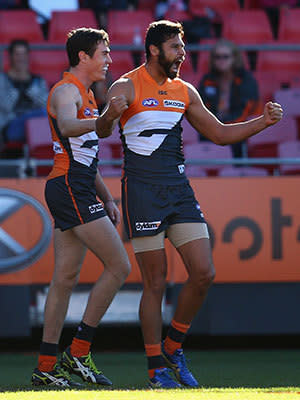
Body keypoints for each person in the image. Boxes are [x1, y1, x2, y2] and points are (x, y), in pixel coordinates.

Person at [105, 20, 283, 388]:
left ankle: (173, 347)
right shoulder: (125, 85)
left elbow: (219, 134)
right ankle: (155, 368)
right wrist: (109, 113)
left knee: (204, 273)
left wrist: (262, 123)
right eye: (175, 47)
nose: (182, 54)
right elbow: (102, 131)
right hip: (141, 192)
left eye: (183, 48)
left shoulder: (185, 90)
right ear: (154, 49)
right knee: (155, 282)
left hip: (179, 190)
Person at [31, 27, 131, 388]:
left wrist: (105, 196)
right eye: (104, 53)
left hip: (73, 186)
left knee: (64, 280)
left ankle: (45, 367)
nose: (109, 59)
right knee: (119, 265)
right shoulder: (68, 90)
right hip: (69, 188)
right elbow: (69, 125)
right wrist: (103, 120)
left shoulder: (85, 92)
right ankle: (77, 353)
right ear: (83, 57)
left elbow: (85, 157)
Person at [198, 39, 262, 158]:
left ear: (234, 58)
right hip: (212, 130)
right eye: (217, 57)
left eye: (225, 57)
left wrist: (226, 128)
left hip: (240, 130)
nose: (221, 61)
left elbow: (247, 109)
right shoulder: (207, 80)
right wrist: (215, 127)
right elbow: (200, 107)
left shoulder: (246, 80)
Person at [0, 39, 48, 156]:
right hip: (10, 127)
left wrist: (32, 91)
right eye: (17, 54)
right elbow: (6, 106)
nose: (21, 58)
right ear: (10, 57)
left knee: (46, 116)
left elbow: (47, 104)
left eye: (24, 54)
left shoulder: (37, 80)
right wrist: (18, 89)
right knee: (43, 115)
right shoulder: (3, 80)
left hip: (36, 125)